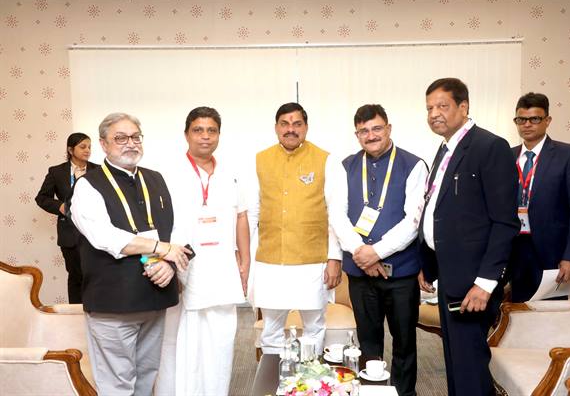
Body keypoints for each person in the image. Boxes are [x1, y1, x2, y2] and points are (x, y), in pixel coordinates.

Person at [70, 112, 191, 396]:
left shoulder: (155, 179)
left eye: (136, 137)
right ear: (103, 144)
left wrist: (170, 265)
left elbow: (175, 228)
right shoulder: (88, 185)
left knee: (147, 378)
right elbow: (105, 237)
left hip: (154, 298)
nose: (131, 143)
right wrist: (161, 249)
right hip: (114, 303)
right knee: (117, 385)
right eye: (121, 138)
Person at [418, 78, 520, 396]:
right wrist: (428, 265)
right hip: (450, 276)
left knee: (470, 367)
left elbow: (504, 223)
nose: (434, 114)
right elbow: (439, 211)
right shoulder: (445, 148)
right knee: (456, 363)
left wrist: (485, 284)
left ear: (463, 107)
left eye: (442, 106)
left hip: (474, 282)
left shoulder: (490, 147)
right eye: (429, 108)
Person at [332, 104, 427, 396]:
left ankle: (404, 393)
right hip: (360, 273)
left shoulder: (413, 165)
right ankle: (371, 391)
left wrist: (377, 252)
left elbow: (413, 221)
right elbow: (336, 215)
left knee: (404, 342)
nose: (371, 135)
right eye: (363, 131)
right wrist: (361, 252)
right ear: (356, 135)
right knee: (368, 342)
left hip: (401, 274)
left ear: (388, 128)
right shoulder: (346, 166)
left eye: (376, 128)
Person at [165, 107, 250, 396]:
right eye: (198, 130)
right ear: (186, 134)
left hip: (222, 267)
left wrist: (245, 262)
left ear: (219, 135)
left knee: (222, 339)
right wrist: (168, 264)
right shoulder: (170, 174)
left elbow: (241, 217)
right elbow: (161, 223)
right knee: (187, 340)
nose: (205, 136)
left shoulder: (230, 174)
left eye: (211, 130)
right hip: (186, 266)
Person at [249, 102, 342, 356]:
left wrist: (335, 258)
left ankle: (309, 377)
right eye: (285, 124)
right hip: (270, 261)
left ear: (306, 127)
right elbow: (252, 213)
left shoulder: (326, 160)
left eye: (297, 124)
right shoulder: (260, 160)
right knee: (271, 329)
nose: (291, 129)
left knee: (314, 327)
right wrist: (245, 259)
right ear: (276, 127)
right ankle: (274, 376)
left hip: (312, 261)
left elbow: (335, 214)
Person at [508, 92, 570, 302]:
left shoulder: (569, 155)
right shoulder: (506, 155)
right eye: (521, 119)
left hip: (552, 253)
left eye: (534, 119)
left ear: (547, 120)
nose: (527, 124)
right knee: (515, 312)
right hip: (513, 250)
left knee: (551, 314)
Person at [35, 133, 98, 303]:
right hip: (69, 234)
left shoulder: (99, 171)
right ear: (70, 150)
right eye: (82, 147)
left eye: (89, 147)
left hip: (95, 233)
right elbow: (42, 198)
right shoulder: (56, 172)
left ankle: (98, 312)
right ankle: (76, 314)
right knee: (76, 277)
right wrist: (60, 207)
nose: (87, 150)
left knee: (96, 276)